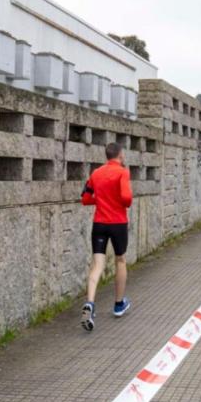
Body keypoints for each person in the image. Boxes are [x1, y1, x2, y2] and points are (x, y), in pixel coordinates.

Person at [79, 142, 133, 332]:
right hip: (117, 223)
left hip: (99, 224)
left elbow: (85, 198)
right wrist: (118, 199)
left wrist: (100, 199)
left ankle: (90, 303)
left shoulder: (96, 173)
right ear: (119, 155)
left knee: (97, 265)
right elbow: (127, 199)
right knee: (120, 260)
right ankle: (119, 304)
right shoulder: (122, 172)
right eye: (123, 154)